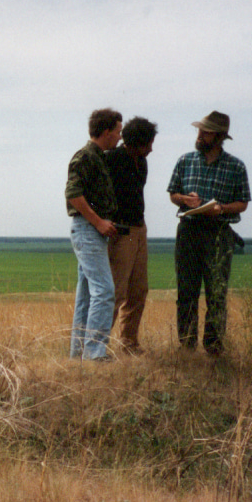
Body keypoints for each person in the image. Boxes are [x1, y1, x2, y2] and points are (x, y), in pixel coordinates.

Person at [166, 111, 251, 355]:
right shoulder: (185, 160)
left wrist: (221, 208)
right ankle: (187, 346)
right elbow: (173, 194)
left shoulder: (236, 166)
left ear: (220, 137)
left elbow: (243, 203)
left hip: (219, 233)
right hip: (189, 232)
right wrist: (185, 199)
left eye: (206, 132)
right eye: (200, 131)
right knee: (186, 292)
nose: (200, 135)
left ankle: (214, 348)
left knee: (216, 293)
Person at [65, 108, 123, 361]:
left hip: (91, 232)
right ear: (107, 131)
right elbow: (73, 194)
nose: (120, 138)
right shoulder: (86, 156)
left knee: (88, 294)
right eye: (118, 132)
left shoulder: (97, 156)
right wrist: (99, 222)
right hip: (88, 230)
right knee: (104, 290)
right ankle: (95, 354)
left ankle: (79, 353)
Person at [105, 117, 157, 355]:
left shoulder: (142, 163)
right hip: (120, 232)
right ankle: (97, 347)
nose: (151, 149)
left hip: (139, 229)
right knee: (116, 292)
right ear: (136, 142)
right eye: (148, 144)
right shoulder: (112, 160)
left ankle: (129, 344)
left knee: (139, 290)